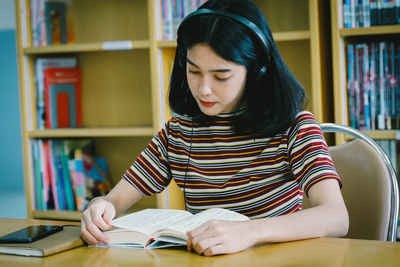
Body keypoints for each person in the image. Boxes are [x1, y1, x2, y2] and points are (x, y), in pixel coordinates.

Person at [81, 0, 349, 256]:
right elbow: (115, 201)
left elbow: (336, 216)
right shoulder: (179, 132)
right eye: (194, 71)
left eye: (221, 76)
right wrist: (100, 207)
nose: (203, 89)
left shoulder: (295, 127)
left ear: (257, 71)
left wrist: (250, 231)